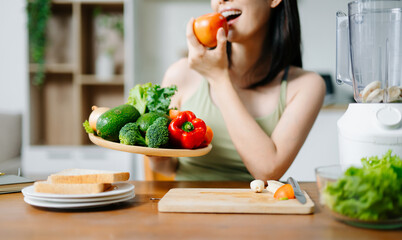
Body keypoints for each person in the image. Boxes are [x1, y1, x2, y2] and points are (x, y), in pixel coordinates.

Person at [148, 0, 326, 181]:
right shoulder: (180, 74)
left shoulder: (307, 85)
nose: (221, 1)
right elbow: (166, 167)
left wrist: (218, 79)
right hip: (187, 205)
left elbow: (267, 171)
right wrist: (155, 157)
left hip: (256, 208)